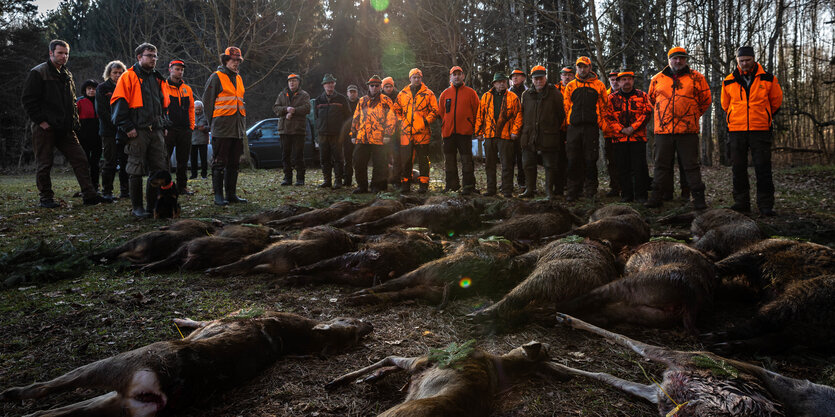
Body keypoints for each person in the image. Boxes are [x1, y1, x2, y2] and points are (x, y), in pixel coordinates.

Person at [22, 39, 110, 208]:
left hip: (66, 128)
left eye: (66, 53)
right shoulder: (38, 72)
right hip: (45, 128)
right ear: (51, 53)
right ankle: (46, 198)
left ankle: (90, 195)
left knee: (81, 159)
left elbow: (71, 102)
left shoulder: (67, 74)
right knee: (44, 164)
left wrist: (74, 123)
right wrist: (41, 121)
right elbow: (28, 100)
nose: (63, 56)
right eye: (60, 53)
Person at [646, 46, 712, 209]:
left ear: (686, 59)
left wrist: (693, 115)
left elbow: (706, 100)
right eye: (675, 58)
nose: (678, 61)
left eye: (682, 58)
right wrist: (663, 116)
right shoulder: (657, 79)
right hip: (663, 131)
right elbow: (651, 100)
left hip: (688, 131)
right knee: (661, 165)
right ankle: (656, 198)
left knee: (691, 166)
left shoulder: (697, 78)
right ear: (669, 60)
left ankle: (698, 199)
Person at [721, 46, 783, 216]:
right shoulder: (728, 81)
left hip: (760, 129)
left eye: (748, 60)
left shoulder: (768, 78)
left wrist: (763, 115)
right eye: (741, 61)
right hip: (736, 130)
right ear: (737, 61)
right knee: (738, 168)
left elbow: (776, 101)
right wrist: (736, 116)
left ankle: (765, 205)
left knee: (763, 168)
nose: (745, 63)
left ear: (754, 59)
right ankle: (741, 203)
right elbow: (725, 105)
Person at [111, 42, 170, 217]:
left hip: (156, 130)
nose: (153, 59)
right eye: (149, 55)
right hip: (137, 131)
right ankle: (137, 208)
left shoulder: (158, 78)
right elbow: (118, 104)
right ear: (139, 57)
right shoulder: (128, 76)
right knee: (135, 169)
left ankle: (152, 207)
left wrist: (164, 125)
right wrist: (127, 127)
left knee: (158, 170)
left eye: (155, 56)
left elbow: (163, 105)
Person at [203, 46, 248, 205]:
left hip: (237, 129)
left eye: (238, 60)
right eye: (232, 60)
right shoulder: (216, 77)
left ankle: (231, 195)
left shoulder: (239, 78)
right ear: (225, 60)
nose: (236, 63)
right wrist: (213, 124)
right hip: (221, 129)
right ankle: (218, 197)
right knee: (219, 163)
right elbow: (207, 103)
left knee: (234, 164)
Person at [563, 56, 609, 201]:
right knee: (572, 160)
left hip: (591, 128)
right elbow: (566, 108)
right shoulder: (570, 86)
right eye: (580, 66)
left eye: (585, 66)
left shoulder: (599, 85)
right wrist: (566, 127)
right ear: (576, 68)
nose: (582, 69)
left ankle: (590, 191)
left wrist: (603, 126)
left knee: (590, 159)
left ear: (590, 68)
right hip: (574, 128)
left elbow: (604, 108)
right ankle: (573, 191)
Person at [519, 65, 565, 199]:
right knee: (528, 163)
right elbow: (522, 113)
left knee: (550, 165)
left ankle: (549, 192)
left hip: (549, 135)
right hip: (529, 135)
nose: (538, 81)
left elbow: (561, 114)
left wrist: (551, 127)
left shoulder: (555, 93)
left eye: (541, 78)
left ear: (545, 78)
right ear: (532, 80)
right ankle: (529, 189)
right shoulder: (526, 95)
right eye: (535, 79)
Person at [605, 71, 651, 202]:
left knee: (639, 168)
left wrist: (633, 128)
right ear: (618, 82)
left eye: (629, 79)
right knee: (622, 168)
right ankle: (626, 195)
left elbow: (646, 114)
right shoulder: (611, 98)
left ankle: (641, 196)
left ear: (633, 81)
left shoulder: (642, 96)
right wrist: (622, 130)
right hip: (619, 139)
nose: (626, 81)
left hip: (638, 139)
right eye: (623, 79)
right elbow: (608, 116)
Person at [474, 72, 522, 197]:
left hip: (506, 136)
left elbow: (518, 116)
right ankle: (491, 190)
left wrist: (514, 132)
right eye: (499, 82)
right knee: (490, 164)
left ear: (506, 83)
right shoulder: (486, 97)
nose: (501, 84)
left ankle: (507, 190)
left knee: (507, 164)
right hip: (489, 135)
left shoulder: (513, 97)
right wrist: (478, 132)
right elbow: (480, 115)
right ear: (494, 84)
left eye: (504, 81)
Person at [394, 68, 439, 194]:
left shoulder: (428, 93)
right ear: (410, 79)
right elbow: (396, 109)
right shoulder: (402, 93)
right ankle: (405, 184)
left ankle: (423, 185)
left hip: (422, 133)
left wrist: (425, 121)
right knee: (406, 160)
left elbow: (435, 111)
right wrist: (401, 121)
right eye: (414, 77)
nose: (416, 79)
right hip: (406, 133)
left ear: (421, 78)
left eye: (418, 77)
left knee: (423, 160)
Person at [350, 75, 396, 194]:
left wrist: (387, 134)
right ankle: (362, 186)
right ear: (368, 87)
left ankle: (376, 186)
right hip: (362, 138)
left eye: (377, 85)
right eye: (372, 86)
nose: (374, 88)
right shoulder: (362, 101)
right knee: (359, 162)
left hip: (380, 138)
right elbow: (356, 117)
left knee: (380, 164)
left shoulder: (386, 101)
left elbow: (391, 119)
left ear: (380, 87)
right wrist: (353, 134)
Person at [438, 66, 480, 194]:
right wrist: (446, 124)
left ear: (463, 76)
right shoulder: (445, 94)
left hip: (465, 133)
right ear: (450, 77)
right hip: (448, 133)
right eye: (454, 74)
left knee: (467, 160)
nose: (456, 76)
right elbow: (441, 112)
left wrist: (474, 128)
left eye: (459, 74)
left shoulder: (471, 93)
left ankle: (469, 187)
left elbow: (478, 112)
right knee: (449, 161)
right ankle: (452, 186)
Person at [96, 60, 129, 200]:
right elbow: (102, 111)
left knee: (125, 161)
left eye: (120, 73)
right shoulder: (102, 88)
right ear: (109, 73)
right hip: (108, 131)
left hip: (125, 130)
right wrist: (116, 123)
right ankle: (107, 191)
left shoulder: (127, 87)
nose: (117, 75)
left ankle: (125, 191)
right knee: (110, 161)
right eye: (114, 72)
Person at [313, 73, 352, 189]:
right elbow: (316, 118)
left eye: (331, 83)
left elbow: (348, 117)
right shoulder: (318, 100)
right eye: (327, 83)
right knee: (324, 158)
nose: (329, 85)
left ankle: (338, 181)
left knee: (338, 159)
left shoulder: (342, 99)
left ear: (334, 84)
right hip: (322, 135)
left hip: (337, 135)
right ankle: (327, 181)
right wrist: (317, 134)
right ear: (323, 85)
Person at [163, 59, 195, 195]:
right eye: (177, 69)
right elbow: (160, 108)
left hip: (185, 130)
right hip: (169, 129)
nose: (180, 71)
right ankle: (166, 186)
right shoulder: (162, 87)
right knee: (165, 159)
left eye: (181, 69)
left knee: (183, 160)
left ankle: (182, 187)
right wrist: (163, 126)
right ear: (170, 69)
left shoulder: (187, 89)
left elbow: (192, 108)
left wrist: (191, 126)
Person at [273, 73, 311, 186]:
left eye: (294, 81)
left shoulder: (304, 95)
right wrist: (286, 109)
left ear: (298, 82)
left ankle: (300, 179)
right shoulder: (282, 94)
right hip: (284, 130)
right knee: (285, 155)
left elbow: (307, 108)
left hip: (298, 130)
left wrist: (294, 110)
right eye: (290, 81)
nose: (292, 83)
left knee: (298, 155)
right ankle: (287, 178)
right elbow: (275, 108)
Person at [76, 79, 101, 195]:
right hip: (83, 138)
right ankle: (85, 188)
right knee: (84, 163)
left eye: (94, 89)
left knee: (95, 163)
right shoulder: (79, 102)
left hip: (98, 138)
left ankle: (95, 187)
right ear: (85, 90)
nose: (91, 91)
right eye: (89, 89)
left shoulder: (100, 101)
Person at [603, 68, 621, 197]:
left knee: (626, 162)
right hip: (610, 134)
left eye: (616, 79)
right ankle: (615, 187)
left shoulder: (627, 94)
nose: (614, 82)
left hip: (626, 135)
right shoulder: (605, 95)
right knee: (612, 162)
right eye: (612, 79)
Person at [509, 68, 527, 191]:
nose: (515, 78)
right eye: (513, 76)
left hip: (524, 131)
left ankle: (523, 182)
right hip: (509, 131)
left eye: (518, 76)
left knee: (522, 158)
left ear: (523, 78)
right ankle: (507, 184)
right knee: (508, 158)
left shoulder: (529, 93)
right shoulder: (507, 92)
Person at [382, 76, 401, 185]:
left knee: (396, 156)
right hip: (382, 132)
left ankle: (396, 180)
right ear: (383, 87)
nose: (388, 89)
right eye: (386, 86)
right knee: (384, 157)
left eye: (390, 86)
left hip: (396, 132)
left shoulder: (399, 96)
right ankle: (385, 179)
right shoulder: (379, 97)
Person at [342, 84, 360, 187]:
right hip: (347, 136)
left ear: (357, 93)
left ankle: (360, 181)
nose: (352, 94)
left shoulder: (361, 102)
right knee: (347, 159)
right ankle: (347, 181)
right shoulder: (344, 103)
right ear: (347, 93)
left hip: (359, 135)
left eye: (354, 92)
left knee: (358, 160)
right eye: (350, 92)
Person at [190, 101, 209, 180]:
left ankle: (204, 174)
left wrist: (204, 128)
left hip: (203, 140)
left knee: (203, 159)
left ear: (202, 109)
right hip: (192, 140)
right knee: (193, 159)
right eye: (196, 109)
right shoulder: (190, 114)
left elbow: (210, 126)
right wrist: (191, 126)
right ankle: (194, 175)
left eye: (199, 109)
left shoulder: (206, 115)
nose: (198, 111)